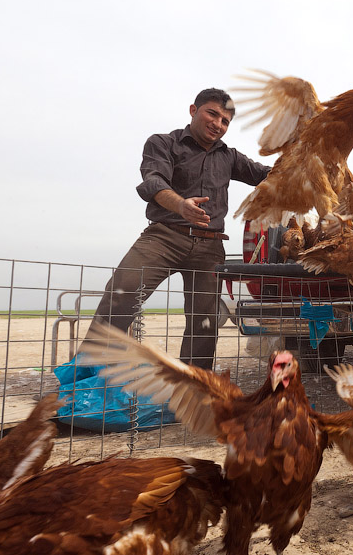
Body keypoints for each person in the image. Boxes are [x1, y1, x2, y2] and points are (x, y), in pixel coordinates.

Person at [82, 88, 270, 370]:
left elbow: (266, 175)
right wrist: (181, 205)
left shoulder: (229, 157)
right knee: (123, 291)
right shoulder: (163, 143)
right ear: (193, 110)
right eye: (212, 114)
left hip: (210, 246)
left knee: (205, 322)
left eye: (225, 121)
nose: (218, 124)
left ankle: (192, 389)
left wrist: (310, 162)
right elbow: (154, 181)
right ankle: (86, 380)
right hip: (165, 237)